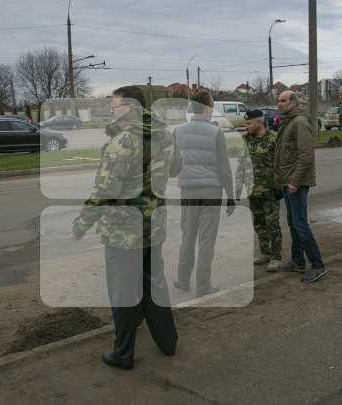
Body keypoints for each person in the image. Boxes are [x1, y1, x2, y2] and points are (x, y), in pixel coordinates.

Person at [71, 86, 182, 370]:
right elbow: (176, 168)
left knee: (123, 291)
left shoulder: (122, 140)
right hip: (153, 227)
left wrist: (82, 222)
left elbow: (106, 189)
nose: (112, 109)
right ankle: (168, 343)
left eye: (116, 105)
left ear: (131, 107)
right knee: (153, 284)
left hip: (123, 232)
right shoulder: (165, 135)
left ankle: (123, 354)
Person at [173, 90, 235, 297]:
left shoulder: (178, 131)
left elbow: (172, 164)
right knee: (206, 239)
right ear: (208, 108)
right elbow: (224, 168)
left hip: (188, 190)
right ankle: (203, 285)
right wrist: (231, 195)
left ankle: (182, 280)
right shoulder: (216, 133)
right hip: (211, 190)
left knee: (188, 236)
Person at [274, 91, 327, 283]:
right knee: (293, 222)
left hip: (296, 183)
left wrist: (295, 182)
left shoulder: (299, 123)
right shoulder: (287, 121)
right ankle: (298, 261)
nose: (279, 104)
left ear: (294, 103)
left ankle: (318, 265)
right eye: (278, 101)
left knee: (301, 224)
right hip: (287, 182)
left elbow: (306, 156)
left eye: (283, 100)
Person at [234, 109, 282, 270]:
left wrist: (280, 186)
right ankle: (265, 253)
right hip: (252, 191)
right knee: (259, 224)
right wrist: (238, 187)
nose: (246, 126)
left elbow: (282, 165)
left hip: (270, 191)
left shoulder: (274, 139)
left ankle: (276, 257)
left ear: (259, 122)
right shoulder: (245, 140)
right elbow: (241, 165)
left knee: (272, 224)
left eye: (248, 123)